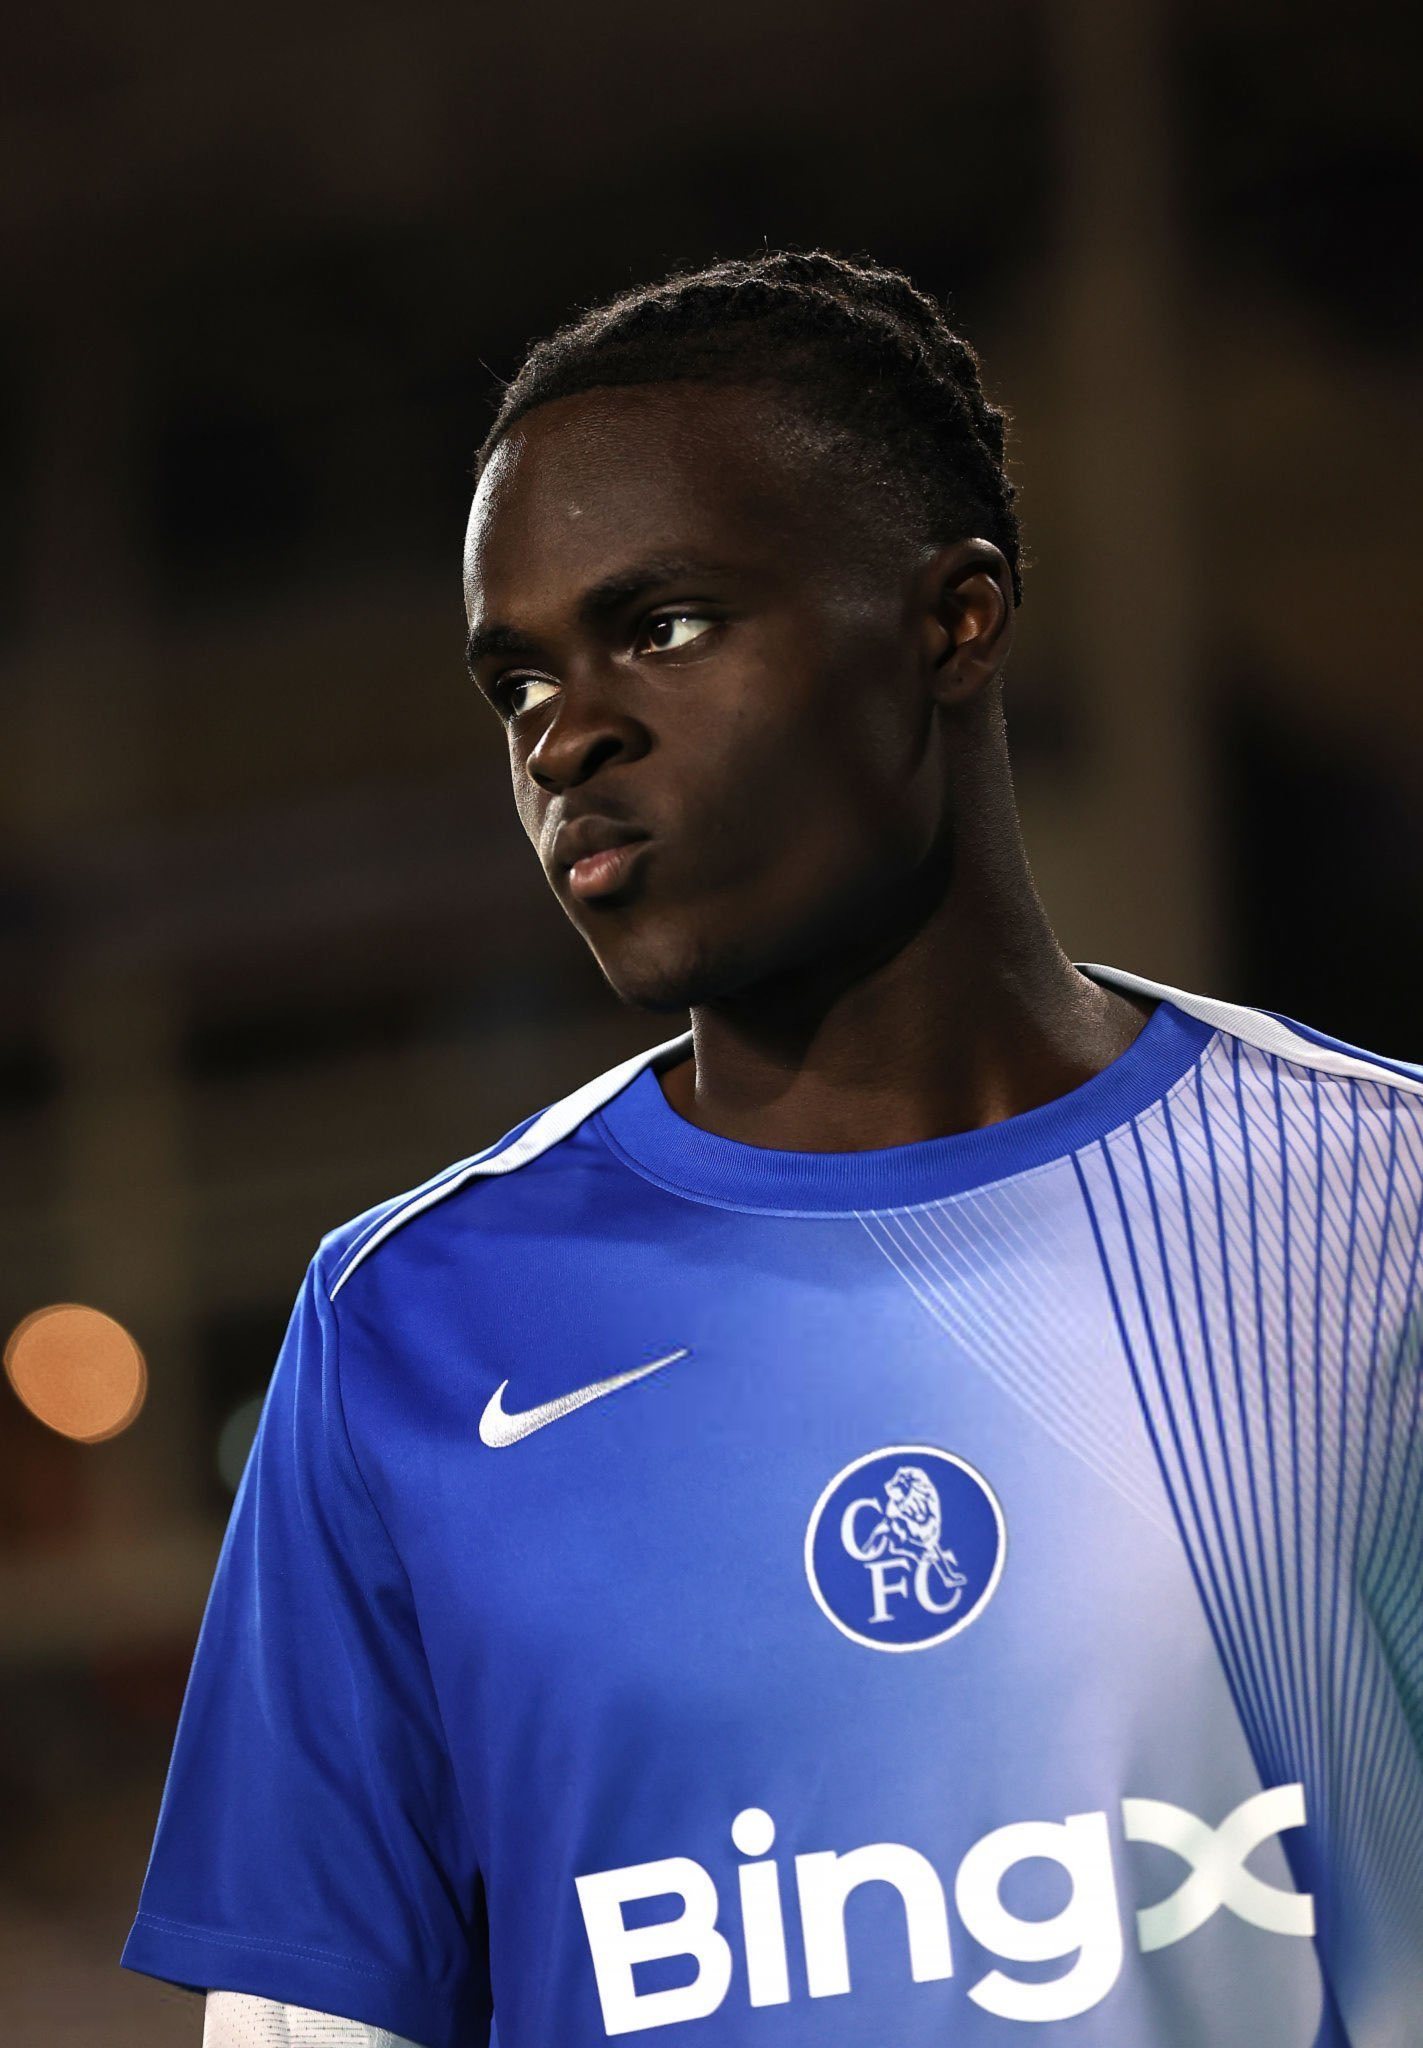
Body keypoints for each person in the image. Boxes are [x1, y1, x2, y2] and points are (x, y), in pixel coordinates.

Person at [121, 249, 1423, 2048]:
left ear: (955, 622)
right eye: (517, 682)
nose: (567, 736)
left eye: (662, 627)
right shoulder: (408, 1330)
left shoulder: (1381, 1205)